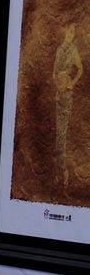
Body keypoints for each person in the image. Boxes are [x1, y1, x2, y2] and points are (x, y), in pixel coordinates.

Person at [53, 24, 82, 185]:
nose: (71, 35)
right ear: (64, 32)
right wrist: (59, 86)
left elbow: (80, 69)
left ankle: (62, 169)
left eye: (73, 33)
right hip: (59, 92)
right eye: (69, 32)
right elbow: (53, 73)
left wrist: (72, 84)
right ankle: (59, 169)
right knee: (59, 132)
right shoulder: (58, 50)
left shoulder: (74, 50)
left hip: (67, 93)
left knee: (63, 131)